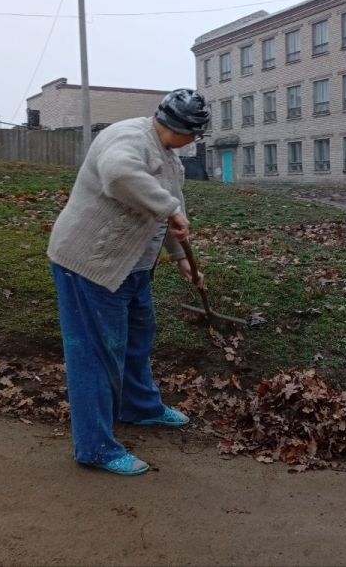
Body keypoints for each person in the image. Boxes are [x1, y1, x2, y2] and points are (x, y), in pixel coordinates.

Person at [47, 88, 210, 476]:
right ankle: (95, 447)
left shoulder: (169, 157)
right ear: (186, 130)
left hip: (132, 268)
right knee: (96, 355)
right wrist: (169, 208)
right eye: (196, 135)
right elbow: (119, 175)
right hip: (89, 265)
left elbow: (172, 210)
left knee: (137, 339)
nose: (194, 142)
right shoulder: (128, 137)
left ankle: (138, 406)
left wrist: (180, 258)